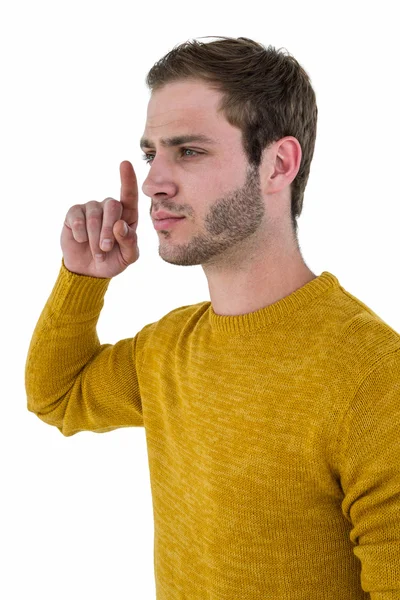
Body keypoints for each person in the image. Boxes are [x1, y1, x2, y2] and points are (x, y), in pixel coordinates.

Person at [25, 36, 400, 599]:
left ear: (278, 164)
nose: (153, 182)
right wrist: (82, 278)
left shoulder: (373, 374)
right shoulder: (169, 347)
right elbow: (58, 395)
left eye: (189, 151)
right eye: (152, 153)